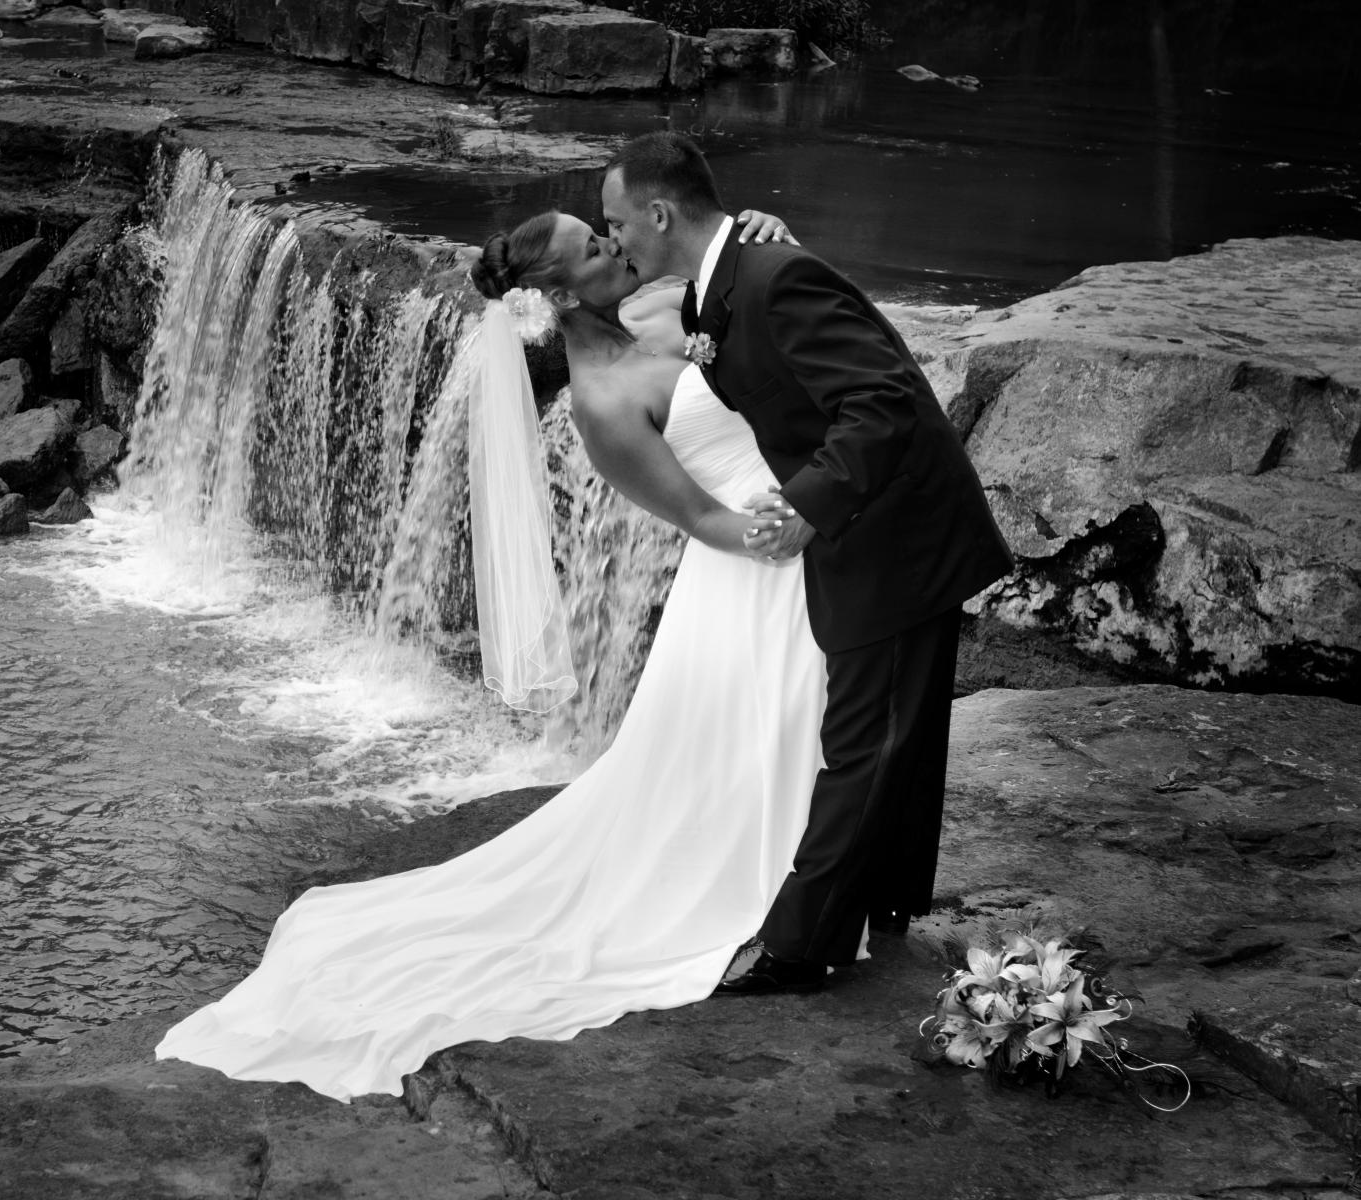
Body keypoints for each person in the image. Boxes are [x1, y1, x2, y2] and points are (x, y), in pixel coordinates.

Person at [155, 202, 834, 1101]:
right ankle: (774, 891)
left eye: (606, 231)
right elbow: (698, 518)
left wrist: (765, 230)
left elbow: (770, 305)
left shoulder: (671, 297)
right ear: (558, 290)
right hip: (756, 563)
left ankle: (805, 874)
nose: (611, 245)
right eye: (593, 248)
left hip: (795, 531)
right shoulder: (597, 398)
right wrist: (798, 527)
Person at [599, 132, 1012, 995]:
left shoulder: (774, 276)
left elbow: (882, 403)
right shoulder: (718, 285)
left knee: (866, 738)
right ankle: (889, 900)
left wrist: (803, 508)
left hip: (894, 531)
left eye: (617, 221)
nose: (615, 240)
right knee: (899, 726)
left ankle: (801, 947)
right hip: (868, 522)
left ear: (660, 212)